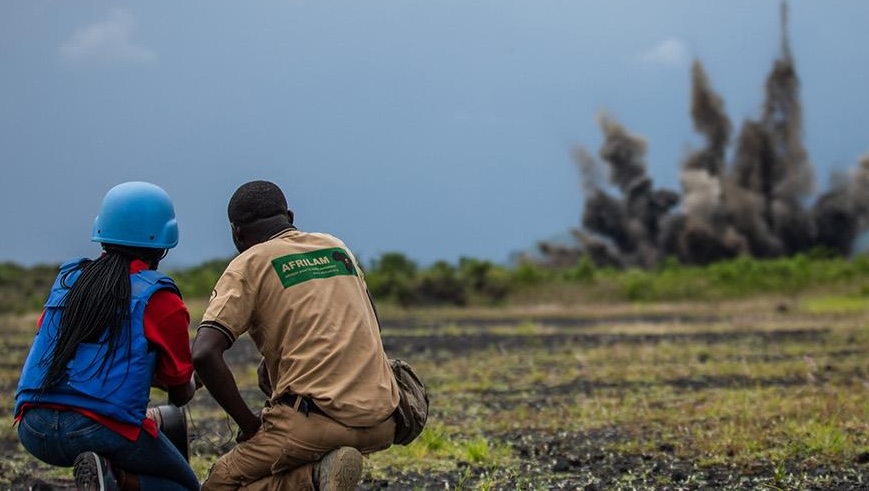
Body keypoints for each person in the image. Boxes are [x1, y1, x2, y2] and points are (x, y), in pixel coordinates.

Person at [192, 180, 399, 490]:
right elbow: (369, 324)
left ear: (237, 233)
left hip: (314, 423)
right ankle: (318, 472)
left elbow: (204, 353)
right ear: (289, 216)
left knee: (221, 482)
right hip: (383, 417)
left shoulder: (248, 264)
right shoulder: (335, 247)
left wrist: (249, 425)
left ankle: (312, 480)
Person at [14, 181, 201, 491]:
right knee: (184, 486)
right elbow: (179, 393)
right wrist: (192, 378)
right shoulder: (160, 299)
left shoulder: (68, 279)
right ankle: (115, 480)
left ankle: (97, 478)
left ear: (102, 230)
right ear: (163, 241)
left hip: (33, 427)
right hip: (97, 429)